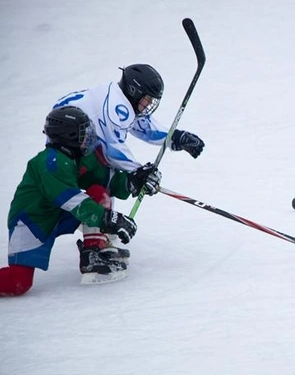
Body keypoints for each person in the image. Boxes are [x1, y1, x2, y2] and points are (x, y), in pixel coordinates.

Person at [0, 106, 161, 296]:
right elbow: (73, 201)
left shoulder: (79, 157)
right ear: (68, 137)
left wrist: (133, 182)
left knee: (98, 192)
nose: (90, 137)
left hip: (59, 214)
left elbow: (104, 180)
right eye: (84, 133)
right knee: (19, 282)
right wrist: (111, 219)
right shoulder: (50, 163)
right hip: (32, 221)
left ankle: (93, 255)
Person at [51, 63, 204, 260]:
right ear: (134, 90)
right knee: (104, 177)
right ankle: (95, 243)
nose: (149, 105)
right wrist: (139, 172)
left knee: (107, 176)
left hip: (81, 140)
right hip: (66, 145)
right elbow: (112, 148)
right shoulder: (116, 105)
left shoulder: (123, 100)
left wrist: (177, 137)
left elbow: (144, 127)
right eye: (147, 99)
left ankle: (99, 229)